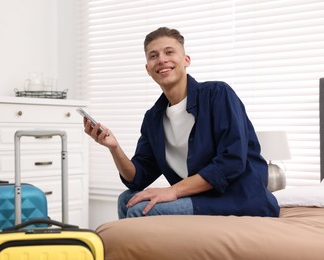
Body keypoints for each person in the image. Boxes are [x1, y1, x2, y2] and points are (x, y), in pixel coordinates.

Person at [82, 27, 280, 219]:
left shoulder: (218, 94)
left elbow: (232, 161)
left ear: (186, 60)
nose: (161, 60)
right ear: (148, 69)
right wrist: (114, 148)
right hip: (196, 195)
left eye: (169, 52)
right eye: (153, 56)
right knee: (126, 200)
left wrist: (173, 191)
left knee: (139, 209)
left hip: (237, 197)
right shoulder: (153, 118)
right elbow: (137, 178)